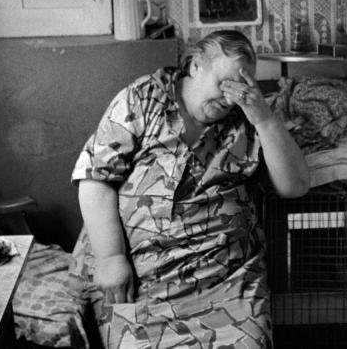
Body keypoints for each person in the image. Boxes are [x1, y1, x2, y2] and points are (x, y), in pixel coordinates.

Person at [71, 30, 310, 348]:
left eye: (242, 86)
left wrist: (264, 119)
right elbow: (94, 179)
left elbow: (295, 186)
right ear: (196, 66)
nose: (231, 98)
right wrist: (111, 259)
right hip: (141, 280)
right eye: (225, 83)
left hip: (224, 281)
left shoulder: (247, 117)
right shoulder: (143, 98)